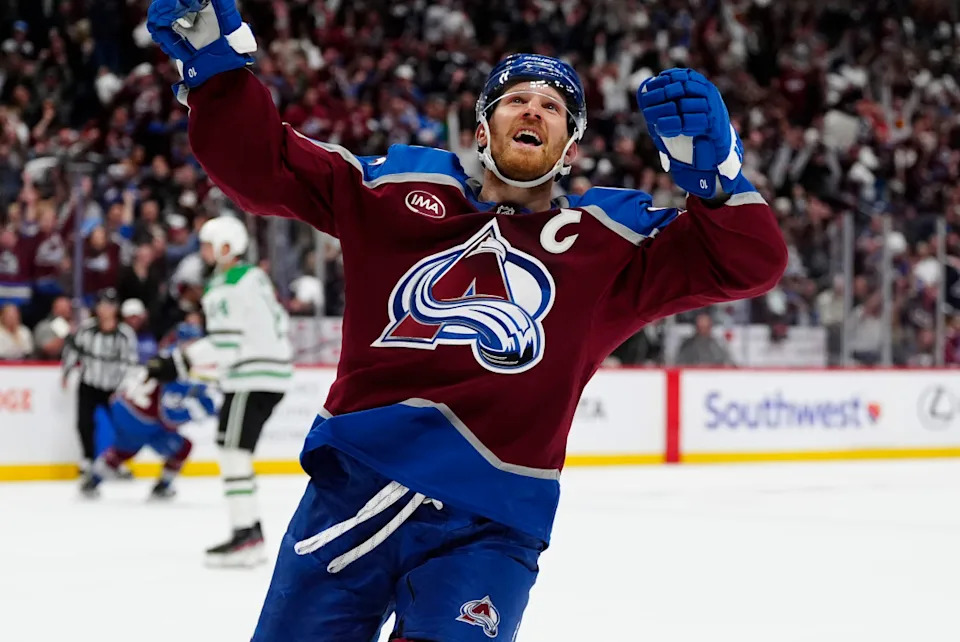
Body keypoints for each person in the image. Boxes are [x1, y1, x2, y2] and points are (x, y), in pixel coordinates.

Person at [147, 2, 787, 638]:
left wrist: (718, 179)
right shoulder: (394, 191)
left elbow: (749, 263)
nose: (533, 110)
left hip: (489, 523)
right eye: (516, 100)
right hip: (350, 490)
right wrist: (217, 73)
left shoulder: (609, 240)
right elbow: (265, 165)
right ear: (482, 131)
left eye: (553, 108)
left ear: (569, 149)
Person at [157, 215, 293, 566]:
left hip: (251, 376)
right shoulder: (254, 276)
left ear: (226, 246)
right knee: (235, 451)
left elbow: (225, 344)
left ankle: (245, 534)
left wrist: (177, 362)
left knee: (233, 453)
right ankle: (249, 532)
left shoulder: (226, 284)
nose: (202, 251)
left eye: (207, 244)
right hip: (267, 374)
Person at [80, 323, 216, 499]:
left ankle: (92, 481)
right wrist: (199, 410)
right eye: (193, 342)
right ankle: (162, 486)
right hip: (143, 419)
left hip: (122, 407)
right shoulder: (178, 364)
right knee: (183, 447)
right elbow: (169, 414)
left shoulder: (165, 355)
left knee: (124, 449)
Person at [61, 289, 139, 473]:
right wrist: (66, 373)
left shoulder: (125, 334)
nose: (106, 309)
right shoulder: (87, 329)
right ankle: (88, 458)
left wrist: (123, 388)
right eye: (103, 305)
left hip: (114, 387)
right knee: (84, 423)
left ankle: (118, 460)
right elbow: (73, 351)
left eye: (110, 305)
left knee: (121, 425)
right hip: (89, 382)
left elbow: (131, 364)